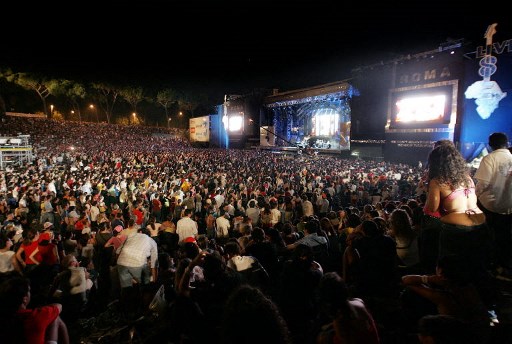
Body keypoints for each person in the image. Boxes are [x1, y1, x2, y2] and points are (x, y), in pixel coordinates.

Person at [423, 143, 491, 281]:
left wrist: (427, 190)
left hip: (457, 229)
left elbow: (432, 208)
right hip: (481, 225)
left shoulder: (437, 181)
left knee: (450, 269)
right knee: (475, 264)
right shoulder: (468, 178)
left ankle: (451, 295)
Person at [474, 132, 512, 279]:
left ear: (490, 144)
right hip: (509, 206)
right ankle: (504, 266)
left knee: (489, 236)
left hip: (490, 206)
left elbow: (483, 183)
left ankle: (491, 266)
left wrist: (475, 194)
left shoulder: (489, 158)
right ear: (506, 143)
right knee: (505, 237)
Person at [0, 275, 70, 344]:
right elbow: (59, 306)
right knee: (55, 317)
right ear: (24, 299)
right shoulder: (35, 316)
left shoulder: (4, 317)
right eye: (29, 291)